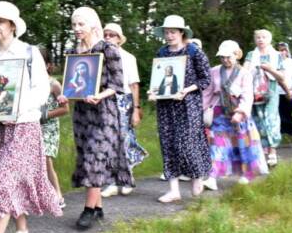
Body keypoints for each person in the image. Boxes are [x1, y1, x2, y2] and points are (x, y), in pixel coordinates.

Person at [0, 1, 63, 233]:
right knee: (11, 179)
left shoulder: (29, 52)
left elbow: (42, 89)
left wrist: (18, 111)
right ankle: (22, 230)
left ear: (12, 25)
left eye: (0, 22)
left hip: (24, 126)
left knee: (4, 181)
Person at [56, 8, 132, 230]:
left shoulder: (108, 49)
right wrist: (65, 94)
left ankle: (88, 210)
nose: (77, 28)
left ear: (92, 24)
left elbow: (117, 84)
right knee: (86, 157)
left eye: (81, 24)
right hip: (82, 114)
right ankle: (98, 209)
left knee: (94, 159)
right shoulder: (72, 51)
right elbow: (71, 83)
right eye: (74, 24)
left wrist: (99, 95)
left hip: (104, 113)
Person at [148, 15, 212, 201]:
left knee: (187, 144)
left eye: (173, 32)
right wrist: (153, 92)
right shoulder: (162, 52)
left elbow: (205, 79)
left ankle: (197, 178)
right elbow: (158, 78)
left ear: (182, 33)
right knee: (168, 144)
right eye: (167, 32)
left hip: (188, 105)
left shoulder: (194, 51)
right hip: (166, 106)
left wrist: (186, 90)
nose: (169, 36)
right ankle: (173, 190)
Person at [202, 40, 268, 183]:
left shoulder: (245, 73)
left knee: (242, 146)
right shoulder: (214, 71)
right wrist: (203, 110)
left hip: (238, 115)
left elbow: (247, 95)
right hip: (219, 115)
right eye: (222, 57)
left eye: (228, 57)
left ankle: (245, 175)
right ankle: (212, 178)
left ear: (237, 55)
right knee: (217, 145)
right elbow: (207, 93)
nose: (225, 60)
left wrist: (240, 112)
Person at [100, 23, 148, 197]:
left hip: (124, 101)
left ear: (120, 39)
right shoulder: (100, 57)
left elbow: (134, 85)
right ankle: (112, 182)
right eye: (105, 35)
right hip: (105, 101)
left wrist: (136, 109)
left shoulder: (128, 58)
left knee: (125, 139)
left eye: (112, 35)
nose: (108, 38)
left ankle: (127, 178)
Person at [242, 29, 285, 167]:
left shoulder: (276, 55)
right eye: (258, 37)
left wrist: (269, 69)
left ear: (269, 39)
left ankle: (272, 152)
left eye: (264, 37)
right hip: (254, 92)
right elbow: (243, 72)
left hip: (271, 92)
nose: (261, 39)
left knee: (270, 120)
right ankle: (261, 154)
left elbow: (282, 77)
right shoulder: (251, 54)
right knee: (258, 121)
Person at [40, 48, 68, 206]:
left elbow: (65, 109)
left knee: (45, 158)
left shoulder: (54, 84)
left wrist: (43, 115)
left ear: (47, 65)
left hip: (48, 127)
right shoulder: (29, 84)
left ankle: (57, 194)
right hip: (31, 126)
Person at [275, 42, 292, 143]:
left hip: (289, 92)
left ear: (287, 51)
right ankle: (280, 135)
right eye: (278, 50)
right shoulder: (273, 62)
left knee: (286, 114)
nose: (281, 52)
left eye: (283, 50)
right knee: (278, 115)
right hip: (276, 93)